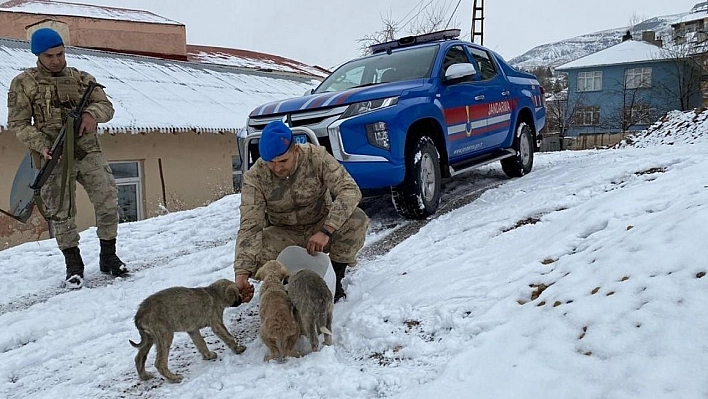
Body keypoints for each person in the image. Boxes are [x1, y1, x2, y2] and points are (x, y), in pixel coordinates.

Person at [7, 28, 128, 289]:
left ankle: (109, 256)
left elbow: (106, 106)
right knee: (61, 211)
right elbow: (17, 123)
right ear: (38, 55)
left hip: (87, 150)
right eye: (50, 55)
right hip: (54, 154)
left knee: (107, 199)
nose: (56, 60)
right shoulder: (24, 83)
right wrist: (41, 145)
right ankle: (73, 264)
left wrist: (92, 114)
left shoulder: (83, 79)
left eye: (60, 54)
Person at [234, 120, 369, 303]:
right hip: (283, 232)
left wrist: (326, 229)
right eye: (270, 163)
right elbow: (250, 226)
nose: (277, 167)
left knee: (357, 220)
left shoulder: (317, 157)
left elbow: (350, 190)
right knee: (257, 253)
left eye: (283, 160)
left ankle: (335, 277)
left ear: (295, 150)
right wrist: (241, 273)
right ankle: (289, 282)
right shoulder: (255, 177)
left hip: (319, 224)